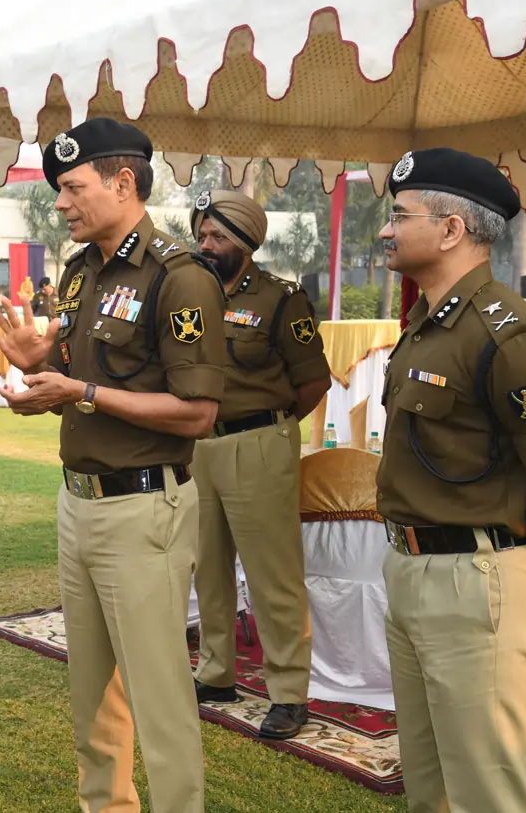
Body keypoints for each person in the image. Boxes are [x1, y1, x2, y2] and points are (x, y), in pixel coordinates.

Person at [0, 118, 227, 813]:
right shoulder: (82, 269)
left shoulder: (179, 276)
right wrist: (44, 368)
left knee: (157, 694)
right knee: (91, 690)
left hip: (144, 509)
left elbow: (196, 412)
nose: (60, 203)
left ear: (122, 183)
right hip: (79, 502)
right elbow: (80, 378)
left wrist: (79, 391)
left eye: (72, 187)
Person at [377, 147, 526, 813]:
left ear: (452, 229)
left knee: (488, 795)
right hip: (413, 571)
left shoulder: (512, 337)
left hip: (477, 583)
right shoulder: (426, 326)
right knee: (430, 790)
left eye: (400, 215)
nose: (386, 229)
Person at [186, 190, 331, 740]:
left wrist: (274, 426)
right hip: (199, 444)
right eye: (202, 234)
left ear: (246, 243)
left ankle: (289, 693)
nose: (206, 244)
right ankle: (216, 673)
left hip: (259, 443)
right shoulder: (189, 293)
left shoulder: (280, 299)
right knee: (207, 566)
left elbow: (313, 380)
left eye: (218, 236)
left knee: (273, 575)